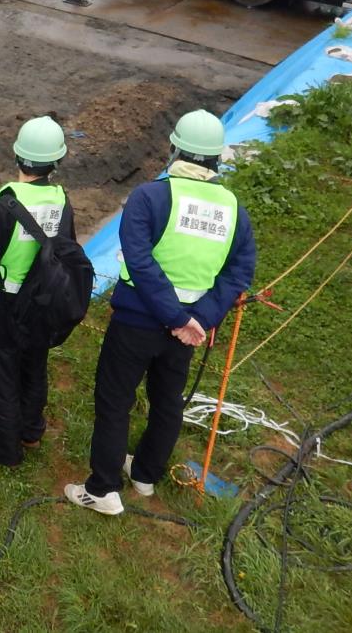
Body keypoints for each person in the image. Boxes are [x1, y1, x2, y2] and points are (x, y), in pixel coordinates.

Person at [64, 109, 255, 515]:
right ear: (215, 158)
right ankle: (145, 475)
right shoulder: (233, 208)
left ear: (175, 150)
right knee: (167, 399)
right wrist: (198, 319)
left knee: (115, 400)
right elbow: (240, 271)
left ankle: (102, 489)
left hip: (139, 321)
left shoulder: (150, 197)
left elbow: (139, 260)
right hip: (188, 330)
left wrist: (178, 318)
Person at [0, 116, 75, 465]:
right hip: (42, 301)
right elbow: (66, 249)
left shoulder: (1, 208)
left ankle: (4, 449)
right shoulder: (62, 202)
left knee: (2, 377)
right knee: (34, 366)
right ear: (56, 162)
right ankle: (30, 432)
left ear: (17, 156)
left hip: (3, 304)